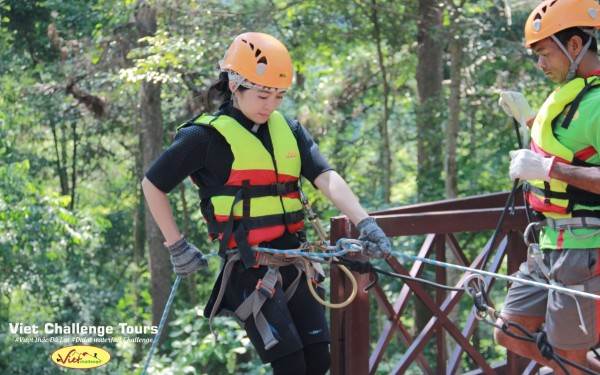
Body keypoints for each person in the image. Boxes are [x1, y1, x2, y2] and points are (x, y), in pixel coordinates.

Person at [141, 32, 391, 375]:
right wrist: (176, 245)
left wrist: (366, 222)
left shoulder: (288, 130)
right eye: (262, 94)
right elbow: (152, 184)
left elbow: (325, 177)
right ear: (233, 84)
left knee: (319, 361)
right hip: (249, 268)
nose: (270, 105)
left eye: (278, 96)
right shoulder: (203, 137)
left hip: (296, 264)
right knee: (291, 366)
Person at [494, 0, 600, 373]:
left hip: (584, 249)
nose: (540, 65)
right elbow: (572, 146)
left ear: (575, 46)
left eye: (544, 53)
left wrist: (547, 166)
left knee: (568, 355)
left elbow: (562, 164)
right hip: (545, 244)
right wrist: (528, 120)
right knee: (510, 332)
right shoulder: (573, 94)